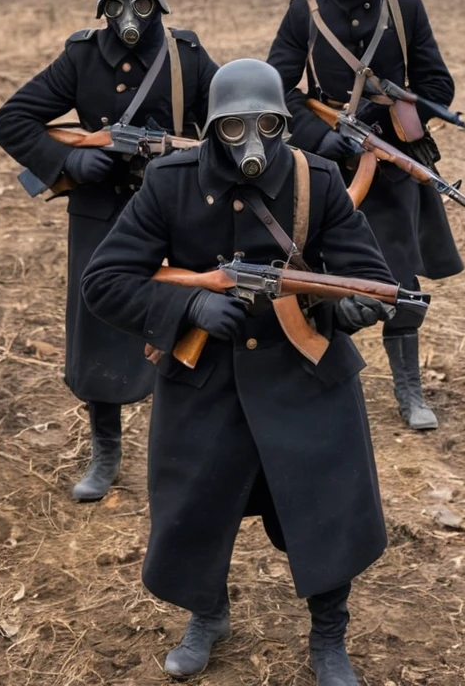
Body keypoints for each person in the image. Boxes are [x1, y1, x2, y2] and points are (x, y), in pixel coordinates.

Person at [81, 59, 394, 685]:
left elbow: (370, 275)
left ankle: (329, 637)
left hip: (304, 373)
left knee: (326, 508)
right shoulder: (169, 183)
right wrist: (189, 302)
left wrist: (358, 308)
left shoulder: (317, 181)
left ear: (284, 122)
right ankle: (207, 614)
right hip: (204, 376)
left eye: (268, 125)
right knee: (196, 509)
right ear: (210, 128)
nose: (253, 142)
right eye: (234, 128)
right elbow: (104, 282)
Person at [0, 0, 218, 502]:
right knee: (98, 326)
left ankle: (187, 450)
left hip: (172, 213)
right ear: (102, 11)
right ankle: (105, 450)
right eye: (117, 7)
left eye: (141, 5)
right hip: (101, 215)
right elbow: (12, 120)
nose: (130, 16)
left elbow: (222, 130)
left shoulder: (186, 56)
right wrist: (68, 164)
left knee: (186, 318)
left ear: (158, 6)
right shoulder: (81, 58)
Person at [267, 0, 462, 432]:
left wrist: (399, 115)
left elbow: (438, 82)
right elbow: (277, 89)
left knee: (397, 275)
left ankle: (408, 390)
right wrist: (318, 135)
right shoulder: (304, 12)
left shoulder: (404, 7)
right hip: (327, 169)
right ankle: (327, 381)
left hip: (391, 165)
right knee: (323, 274)